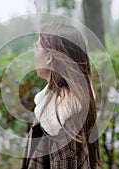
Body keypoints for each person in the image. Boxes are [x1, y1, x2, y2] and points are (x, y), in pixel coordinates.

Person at [21, 23, 101, 169]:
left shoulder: (62, 121)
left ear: (49, 57)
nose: (34, 52)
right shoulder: (61, 107)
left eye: (37, 47)